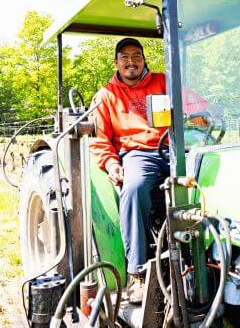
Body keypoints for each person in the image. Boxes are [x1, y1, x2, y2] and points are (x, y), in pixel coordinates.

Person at [90, 37, 169, 304]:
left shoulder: (164, 81)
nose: (131, 61)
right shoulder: (106, 95)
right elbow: (100, 140)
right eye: (124, 57)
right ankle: (137, 272)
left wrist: (203, 112)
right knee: (134, 188)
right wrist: (112, 163)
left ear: (144, 60)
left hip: (173, 147)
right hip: (137, 153)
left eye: (136, 56)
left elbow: (194, 104)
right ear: (116, 62)